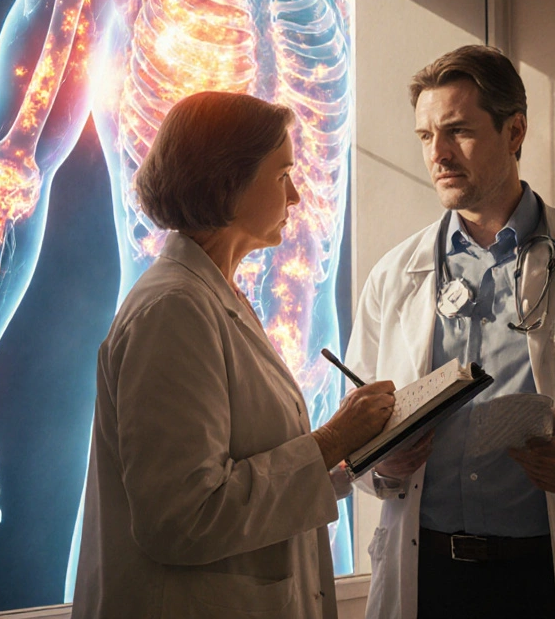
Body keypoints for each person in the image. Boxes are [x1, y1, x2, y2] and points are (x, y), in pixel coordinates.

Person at [0, 0, 356, 589]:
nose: (294, 195)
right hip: (200, 428)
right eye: (282, 178)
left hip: (306, 424)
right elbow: (12, 161)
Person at [345, 45, 555, 619]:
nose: (439, 154)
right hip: (429, 576)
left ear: (515, 131)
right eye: (426, 136)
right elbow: (355, 423)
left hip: (550, 578)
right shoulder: (395, 274)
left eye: (458, 131)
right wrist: (383, 460)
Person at [70, 91, 395, 618]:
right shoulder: (174, 310)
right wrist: (330, 440)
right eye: (282, 174)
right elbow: (181, 517)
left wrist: (347, 459)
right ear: (228, 182)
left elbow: (247, 467)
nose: (296, 197)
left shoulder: (214, 296)